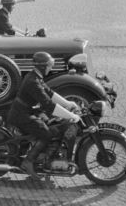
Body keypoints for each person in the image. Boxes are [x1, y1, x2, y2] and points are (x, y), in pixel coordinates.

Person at [7, 52, 80, 180]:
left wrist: (68, 103)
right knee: (46, 133)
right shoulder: (32, 81)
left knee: (52, 125)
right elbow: (48, 105)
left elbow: (50, 93)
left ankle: (44, 157)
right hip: (21, 115)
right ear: (42, 66)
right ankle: (28, 162)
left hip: (26, 112)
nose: (51, 68)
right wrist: (70, 115)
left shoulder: (35, 77)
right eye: (49, 65)